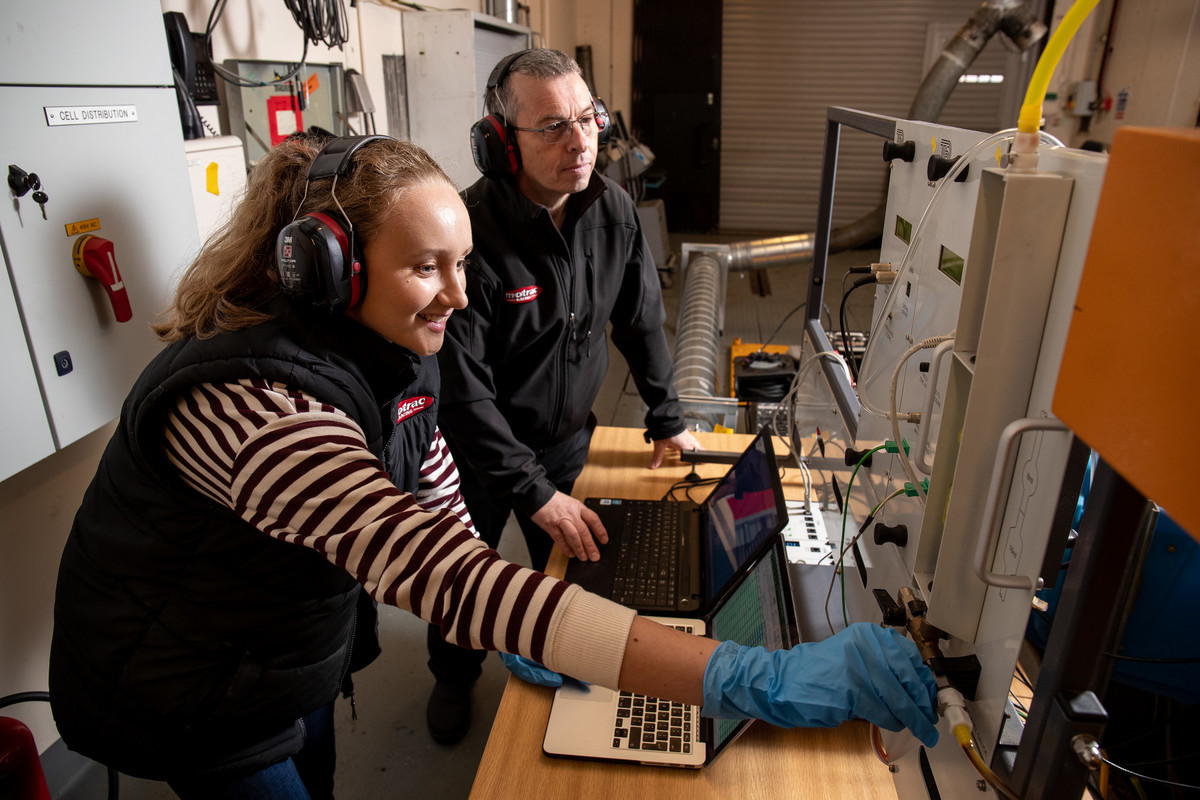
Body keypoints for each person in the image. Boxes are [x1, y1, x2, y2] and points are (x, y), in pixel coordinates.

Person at [49, 134, 939, 800]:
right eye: (425, 267)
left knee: (310, 770)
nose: (461, 295)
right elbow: (434, 568)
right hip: (185, 683)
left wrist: (515, 619)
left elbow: (432, 485)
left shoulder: (388, 345)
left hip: (276, 649)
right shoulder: (255, 408)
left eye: (464, 263)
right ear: (331, 268)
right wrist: (747, 679)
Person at [427, 47, 703, 743]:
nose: (581, 142)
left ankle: (575, 676)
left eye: (587, 118)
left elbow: (641, 321)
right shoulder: (468, 235)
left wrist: (667, 418)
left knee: (577, 569)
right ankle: (453, 679)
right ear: (499, 141)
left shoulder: (613, 211)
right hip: (479, 460)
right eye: (552, 126)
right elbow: (461, 391)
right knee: (466, 584)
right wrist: (531, 490)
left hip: (568, 443)